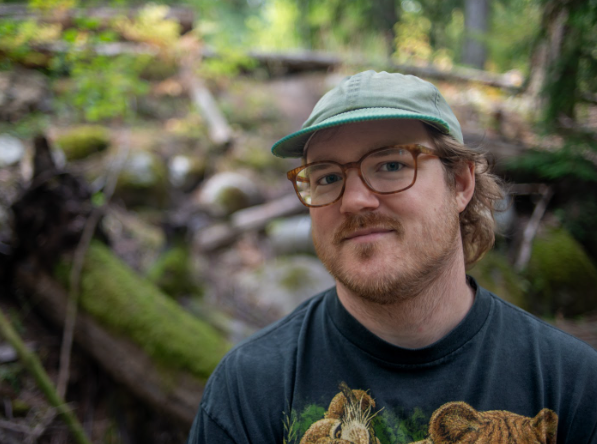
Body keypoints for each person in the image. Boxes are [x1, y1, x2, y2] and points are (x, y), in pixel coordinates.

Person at [186, 71, 597, 444]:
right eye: (328, 177)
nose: (354, 200)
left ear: (460, 183)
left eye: (391, 165)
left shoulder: (570, 385)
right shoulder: (249, 389)